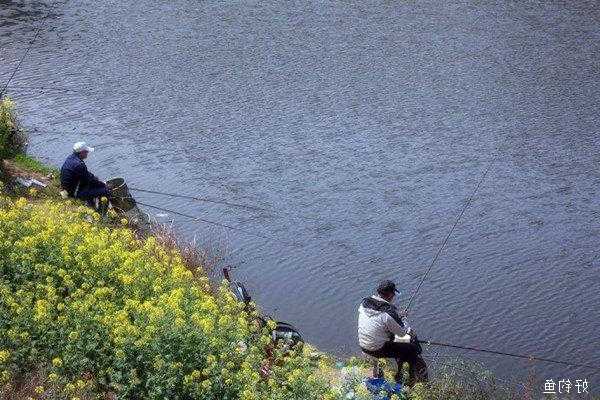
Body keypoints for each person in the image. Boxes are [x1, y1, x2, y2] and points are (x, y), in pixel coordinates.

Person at [357, 280, 428, 387]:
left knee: (396, 342)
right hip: (377, 349)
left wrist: (397, 314)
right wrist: (403, 320)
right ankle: (418, 381)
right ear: (391, 294)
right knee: (411, 342)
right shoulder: (389, 313)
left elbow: (379, 317)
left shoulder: (364, 304)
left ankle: (388, 371)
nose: (394, 296)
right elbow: (403, 333)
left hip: (363, 346)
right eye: (393, 294)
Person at [60, 142, 110, 208]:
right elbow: (90, 180)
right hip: (73, 193)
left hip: (66, 189)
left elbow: (85, 174)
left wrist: (94, 178)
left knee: (92, 185)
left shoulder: (71, 158)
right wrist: (104, 184)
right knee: (106, 191)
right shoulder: (79, 164)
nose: (87, 153)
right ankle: (102, 213)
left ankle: (92, 206)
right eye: (86, 151)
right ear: (81, 152)